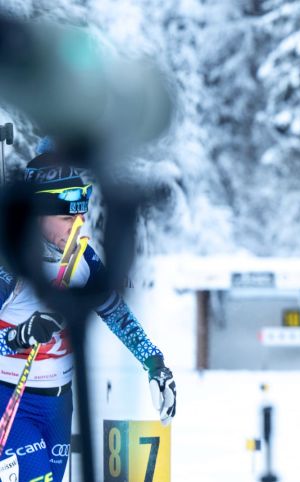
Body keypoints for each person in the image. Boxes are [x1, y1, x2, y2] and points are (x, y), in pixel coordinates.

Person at [0, 150, 176, 481]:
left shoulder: (83, 258)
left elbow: (118, 315)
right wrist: (19, 336)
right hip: (11, 399)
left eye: (81, 216)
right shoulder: (11, 264)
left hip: (59, 404)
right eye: (67, 218)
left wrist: (155, 363)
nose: (78, 226)